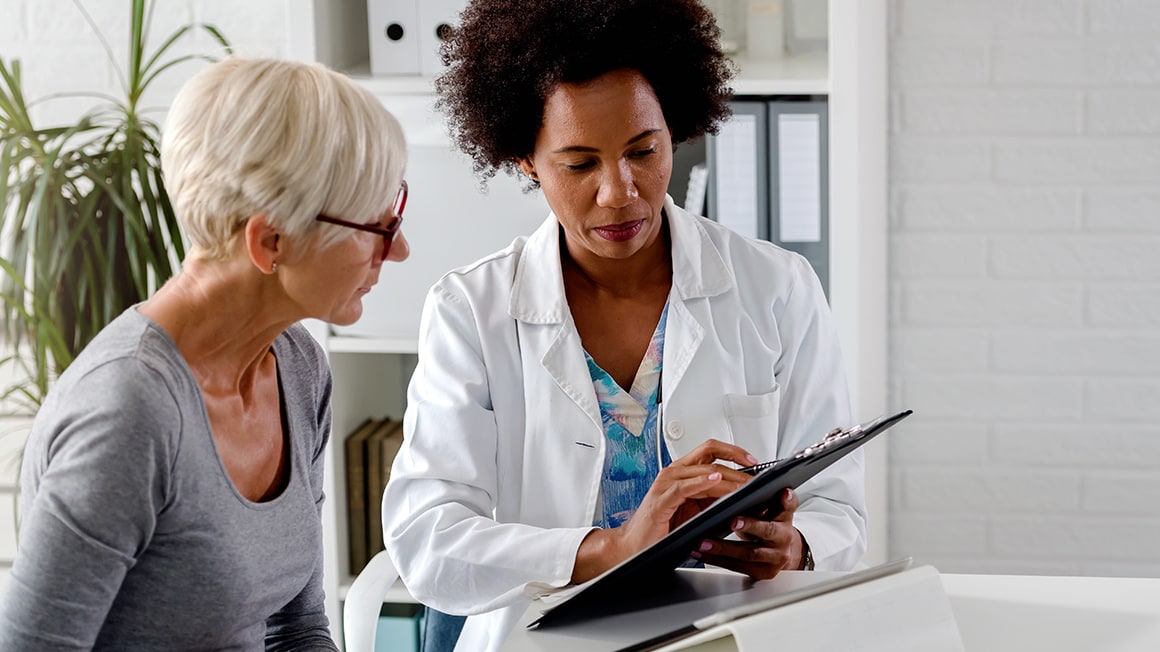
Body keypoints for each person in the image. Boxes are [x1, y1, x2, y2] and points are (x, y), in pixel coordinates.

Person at [383, 0, 864, 649]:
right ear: (525, 158)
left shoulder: (778, 289)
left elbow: (840, 511)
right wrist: (609, 548)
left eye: (643, 150)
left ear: (677, 127)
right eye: (580, 163)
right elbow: (428, 540)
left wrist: (797, 546)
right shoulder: (470, 312)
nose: (620, 190)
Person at [0, 57, 409, 650]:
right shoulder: (128, 412)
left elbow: (296, 628)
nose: (397, 250)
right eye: (376, 226)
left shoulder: (297, 368)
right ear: (270, 241)